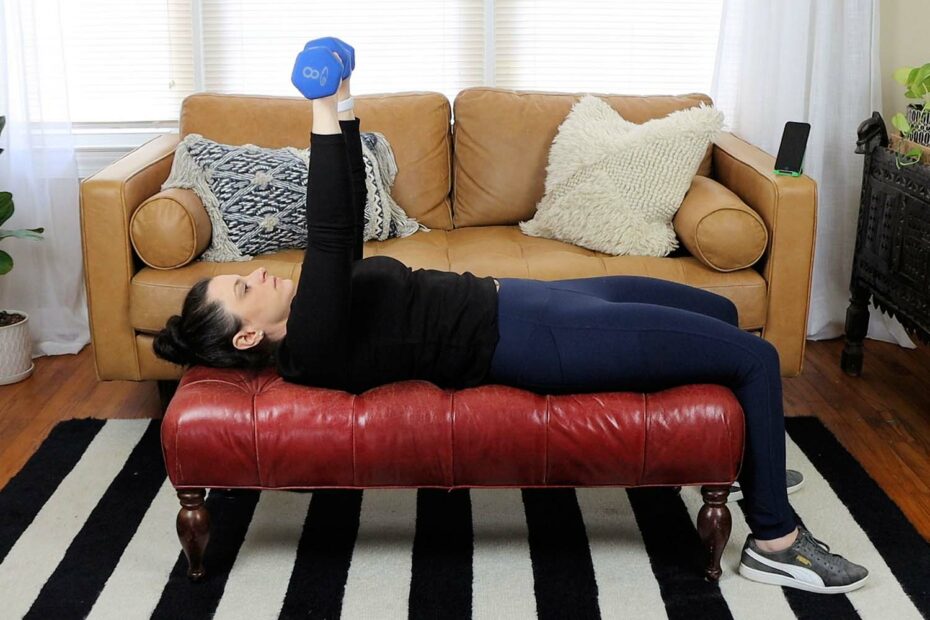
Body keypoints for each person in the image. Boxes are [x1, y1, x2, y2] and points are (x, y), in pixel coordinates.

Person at [153, 39, 869, 594]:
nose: (258, 273)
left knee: (717, 309)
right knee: (755, 357)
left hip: (525, 300)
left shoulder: (315, 309)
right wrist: (315, 110)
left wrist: (342, 103)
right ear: (249, 335)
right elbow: (334, 228)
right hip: (535, 339)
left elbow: (349, 211)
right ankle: (774, 541)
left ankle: (748, 464)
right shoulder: (309, 340)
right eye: (244, 287)